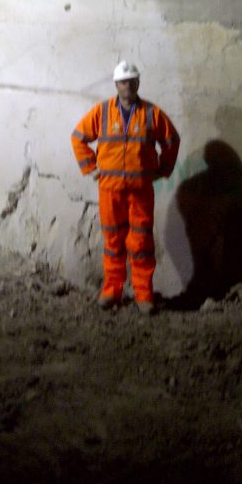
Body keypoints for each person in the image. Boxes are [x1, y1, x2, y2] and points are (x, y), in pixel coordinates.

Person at [71, 61, 180, 315]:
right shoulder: (103, 111)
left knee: (141, 243)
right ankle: (112, 290)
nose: (127, 85)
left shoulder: (152, 113)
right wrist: (91, 168)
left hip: (140, 189)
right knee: (113, 241)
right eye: (122, 81)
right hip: (110, 189)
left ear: (138, 83)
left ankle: (144, 294)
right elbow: (78, 138)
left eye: (131, 81)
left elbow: (172, 141)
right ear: (116, 84)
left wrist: (163, 169)